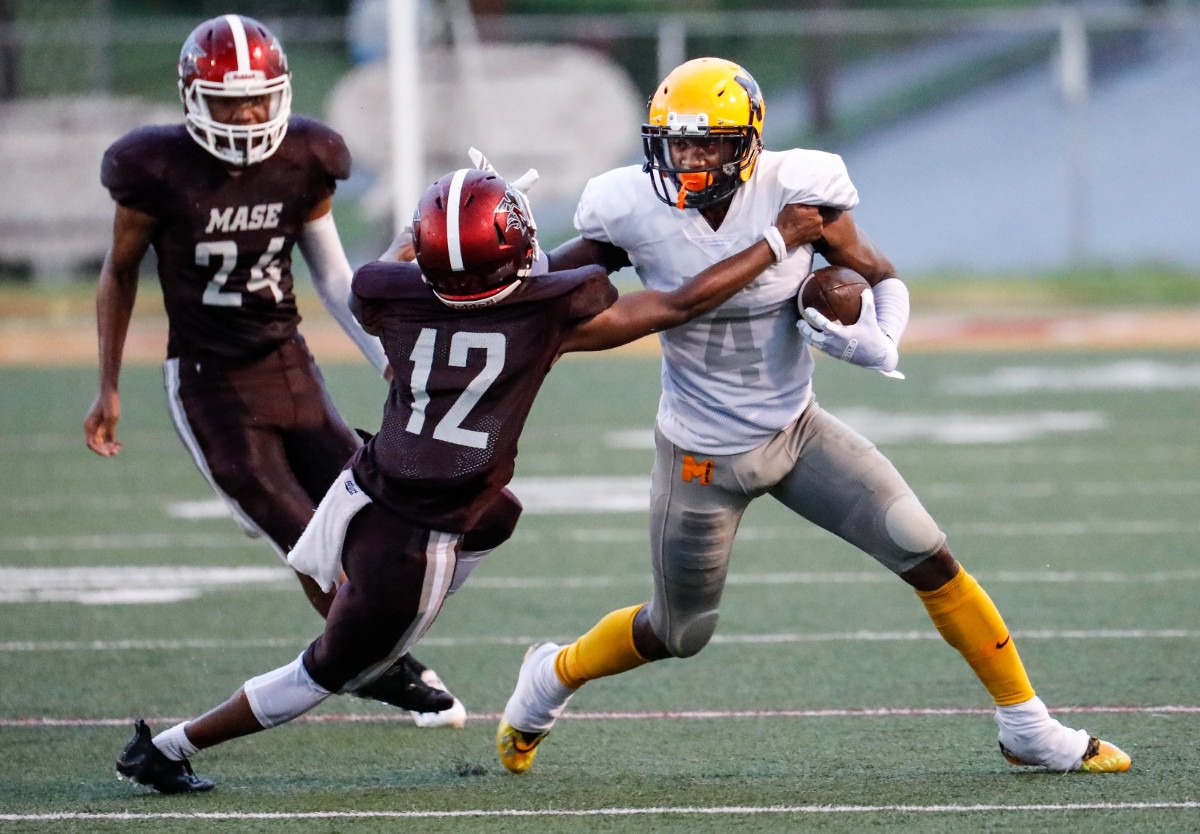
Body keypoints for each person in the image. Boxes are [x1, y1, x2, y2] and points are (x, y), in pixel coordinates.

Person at [495, 56, 1131, 776]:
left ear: (750, 143)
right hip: (701, 453)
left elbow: (881, 276)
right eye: (679, 143)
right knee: (678, 631)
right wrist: (493, 277)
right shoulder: (631, 208)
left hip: (798, 431)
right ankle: (552, 674)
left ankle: (1027, 725)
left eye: (709, 143)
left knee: (928, 553)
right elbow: (556, 287)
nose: (691, 158)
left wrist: (876, 338)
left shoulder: (800, 192)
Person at [110, 166, 825, 793]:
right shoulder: (545, 312)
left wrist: (432, 223)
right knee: (330, 672)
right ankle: (167, 749)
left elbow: (390, 265)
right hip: (416, 535)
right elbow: (676, 303)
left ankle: (371, 602)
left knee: (499, 512)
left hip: (366, 485)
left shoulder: (388, 293)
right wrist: (777, 240)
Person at [83, 13, 461, 727]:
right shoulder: (153, 169)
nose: (247, 113)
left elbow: (334, 277)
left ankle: (370, 655)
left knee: (377, 516)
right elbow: (120, 272)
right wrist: (106, 384)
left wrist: (387, 356)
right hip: (211, 385)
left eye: (258, 97)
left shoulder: (307, 156)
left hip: (290, 366)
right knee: (310, 544)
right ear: (193, 98)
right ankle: (373, 667)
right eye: (229, 99)